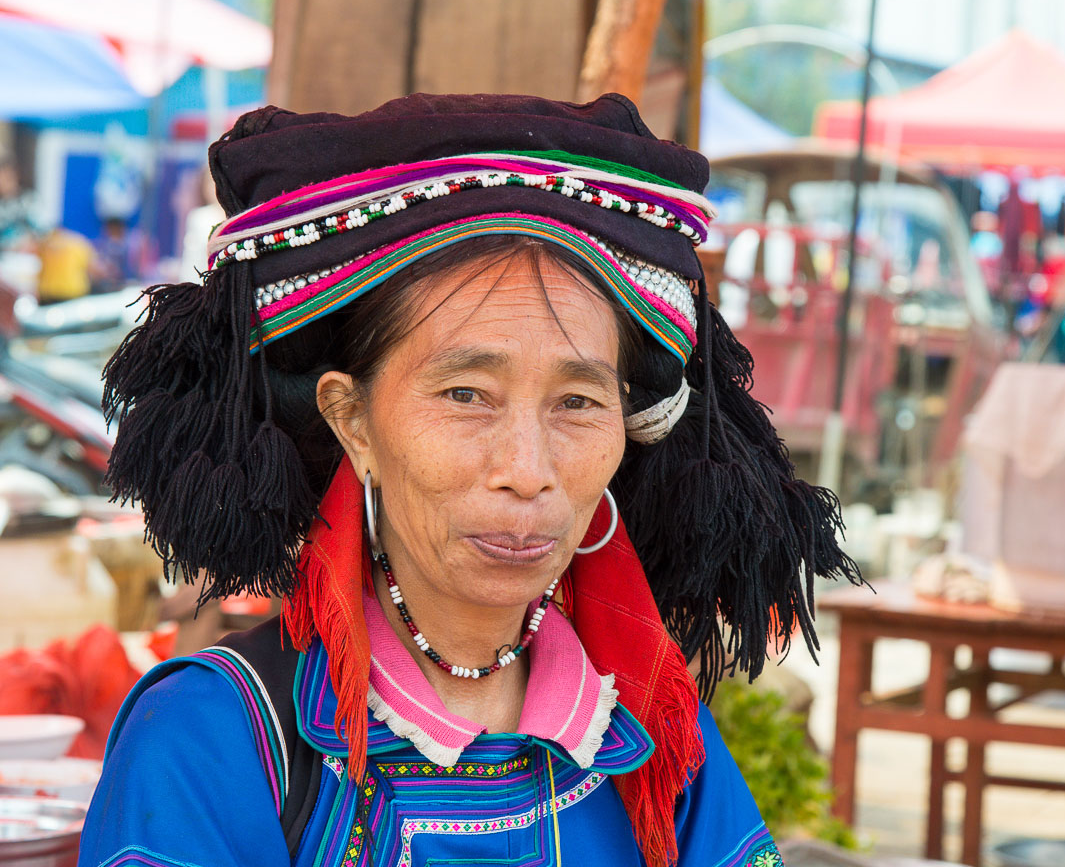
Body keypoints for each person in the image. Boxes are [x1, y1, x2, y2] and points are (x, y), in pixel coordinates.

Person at [79, 94, 859, 867]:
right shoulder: (213, 738)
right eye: (465, 396)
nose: (527, 471)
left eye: (579, 403)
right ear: (354, 422)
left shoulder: (658, 742)